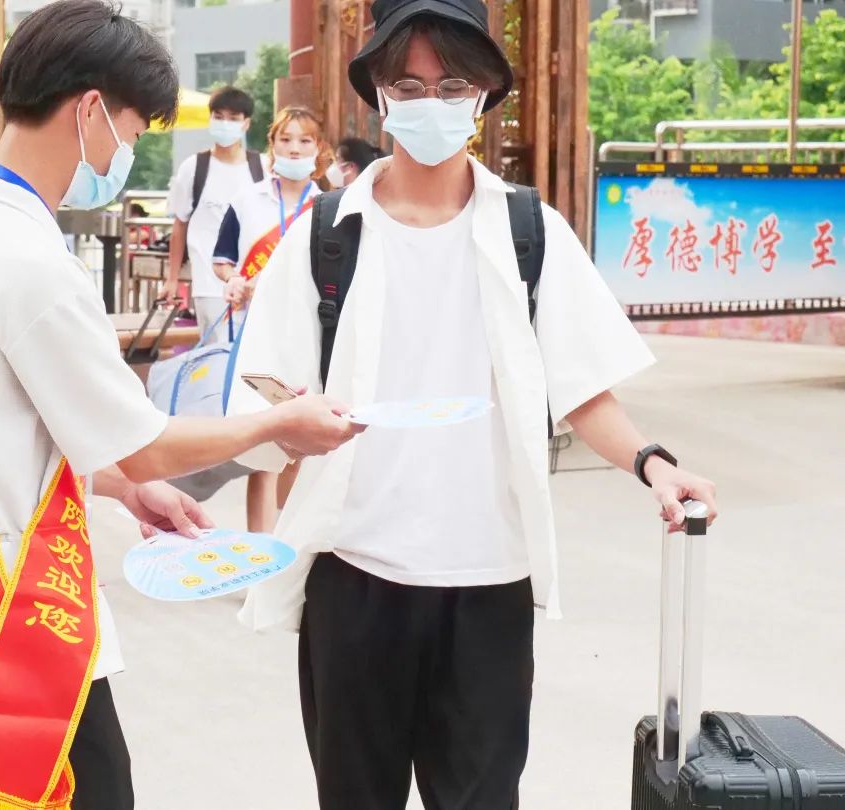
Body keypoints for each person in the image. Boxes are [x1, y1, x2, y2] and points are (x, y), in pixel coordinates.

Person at [226, 0, 720, 807]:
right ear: (379, 96)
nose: (431, 102)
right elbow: (267, 405)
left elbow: (584, 388)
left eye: (452, 84)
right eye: (409, 84)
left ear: (484, 94)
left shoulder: (530, 232)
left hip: (489, 585)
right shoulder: (326, 236)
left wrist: (653, 464)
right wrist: (263, 502)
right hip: (354, 579)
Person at [0, 3, 361, 809]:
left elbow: (10, 428)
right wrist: (277, 424)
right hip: (26, 625)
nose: (126, 152)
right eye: (132, 130)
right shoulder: (32, 266)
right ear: (89, 110)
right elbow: (145, 442)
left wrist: (122, 486)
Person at [210, 107, 325, 533]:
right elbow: (222, 260)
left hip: (310, 334)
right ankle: (259, 551)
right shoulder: (247, 201)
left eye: (304, 140)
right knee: (263, 445)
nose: (294, 149)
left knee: (301, 446)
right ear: (271, 145)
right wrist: (235, 280)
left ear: (318, 148)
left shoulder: (327, 206)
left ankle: (289, 540)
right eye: (285, 139)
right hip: (258, 335)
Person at [161, 86, 266, 338]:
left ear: (246, 123)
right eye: (219, 117)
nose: (225, 124)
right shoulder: (193, 168)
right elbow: (180, 225)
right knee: (214, 353)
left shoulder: (262, 167)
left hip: (254, 284)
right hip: (208, 285)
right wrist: (172, 279)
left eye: (233, 118)